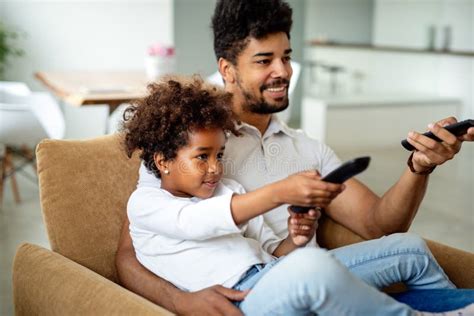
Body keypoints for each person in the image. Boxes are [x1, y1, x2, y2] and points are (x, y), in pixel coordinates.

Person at [116, 0, 474, 315]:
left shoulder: (305, 150)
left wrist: (419, 167)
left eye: (286, 57)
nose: (283, 71)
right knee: (312, 268)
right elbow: (130, 254)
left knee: (410, 249)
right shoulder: (187, 144)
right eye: (264, 60)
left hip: (291, 272)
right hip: (272, 287)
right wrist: (180, 302)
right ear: (228, 70)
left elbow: (379, 225)